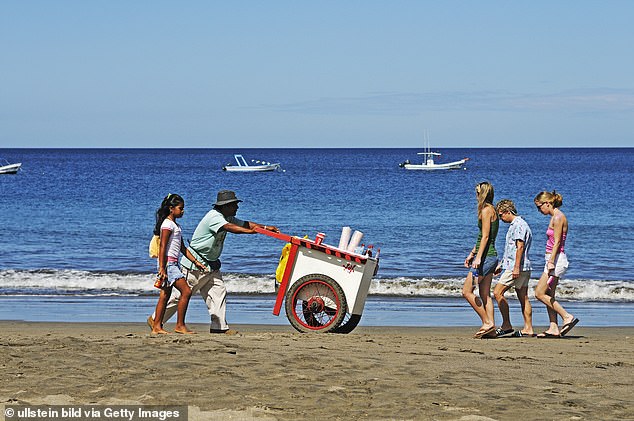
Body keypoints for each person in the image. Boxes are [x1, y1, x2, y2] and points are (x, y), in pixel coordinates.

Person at [148, 190, 279, 334]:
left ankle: (219, 327)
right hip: (195, 265)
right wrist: (252, 232)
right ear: (225, 206)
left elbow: (246, 224)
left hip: (211, 264)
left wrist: (265, 228)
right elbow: (229, 228)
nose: (237, 208)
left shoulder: (227, 217)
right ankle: (156, 321)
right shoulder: (214, 217)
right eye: (234, 205)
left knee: (218, 291)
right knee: (179, 296)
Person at [152, 193, 207, 335]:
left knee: (165, 295)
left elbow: (182, 248)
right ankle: (180, 325)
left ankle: (156, 327)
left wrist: (196, 262)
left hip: (172, 264)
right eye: (180, 208)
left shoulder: (175, 225)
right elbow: (162, 247)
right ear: (171, 209)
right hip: (168, 264)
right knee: (186, 291)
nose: (183, 211)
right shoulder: (167, 225)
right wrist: (162, 268)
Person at [533, 190, 579, 338]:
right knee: (548, 294)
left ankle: (567, 317)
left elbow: (558, 242)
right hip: (552, 259)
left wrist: (551, 261)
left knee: (539, 293)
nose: (539, 210)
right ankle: (553, 327)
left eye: (539, 206)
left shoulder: (558, 217)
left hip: (556, 260)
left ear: (548, 203)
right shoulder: (554, 216)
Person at [462, 181, 499, 339]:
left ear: (482, 194)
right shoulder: (493, 210)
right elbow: (483, 237)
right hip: (490, 255)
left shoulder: (485, 210)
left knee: (466, 291)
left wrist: (477, 258)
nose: (475, 195)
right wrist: (472, 252)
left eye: (477, 192)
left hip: (486, 257)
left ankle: (487, 322)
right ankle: (490, 328)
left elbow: (485, 237)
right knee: (485, 294)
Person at [493, 199, 534, 337]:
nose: (500, 218)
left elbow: (519, 247)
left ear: (507, 212)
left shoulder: (518, 225)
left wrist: (515, 267)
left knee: (497, 292)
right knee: (523, 297)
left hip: (516, 266)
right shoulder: (519, 224)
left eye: (500, 215)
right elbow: (511, 249)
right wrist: (501, 265)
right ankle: (528, 328)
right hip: (521, 266)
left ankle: (506, 325)